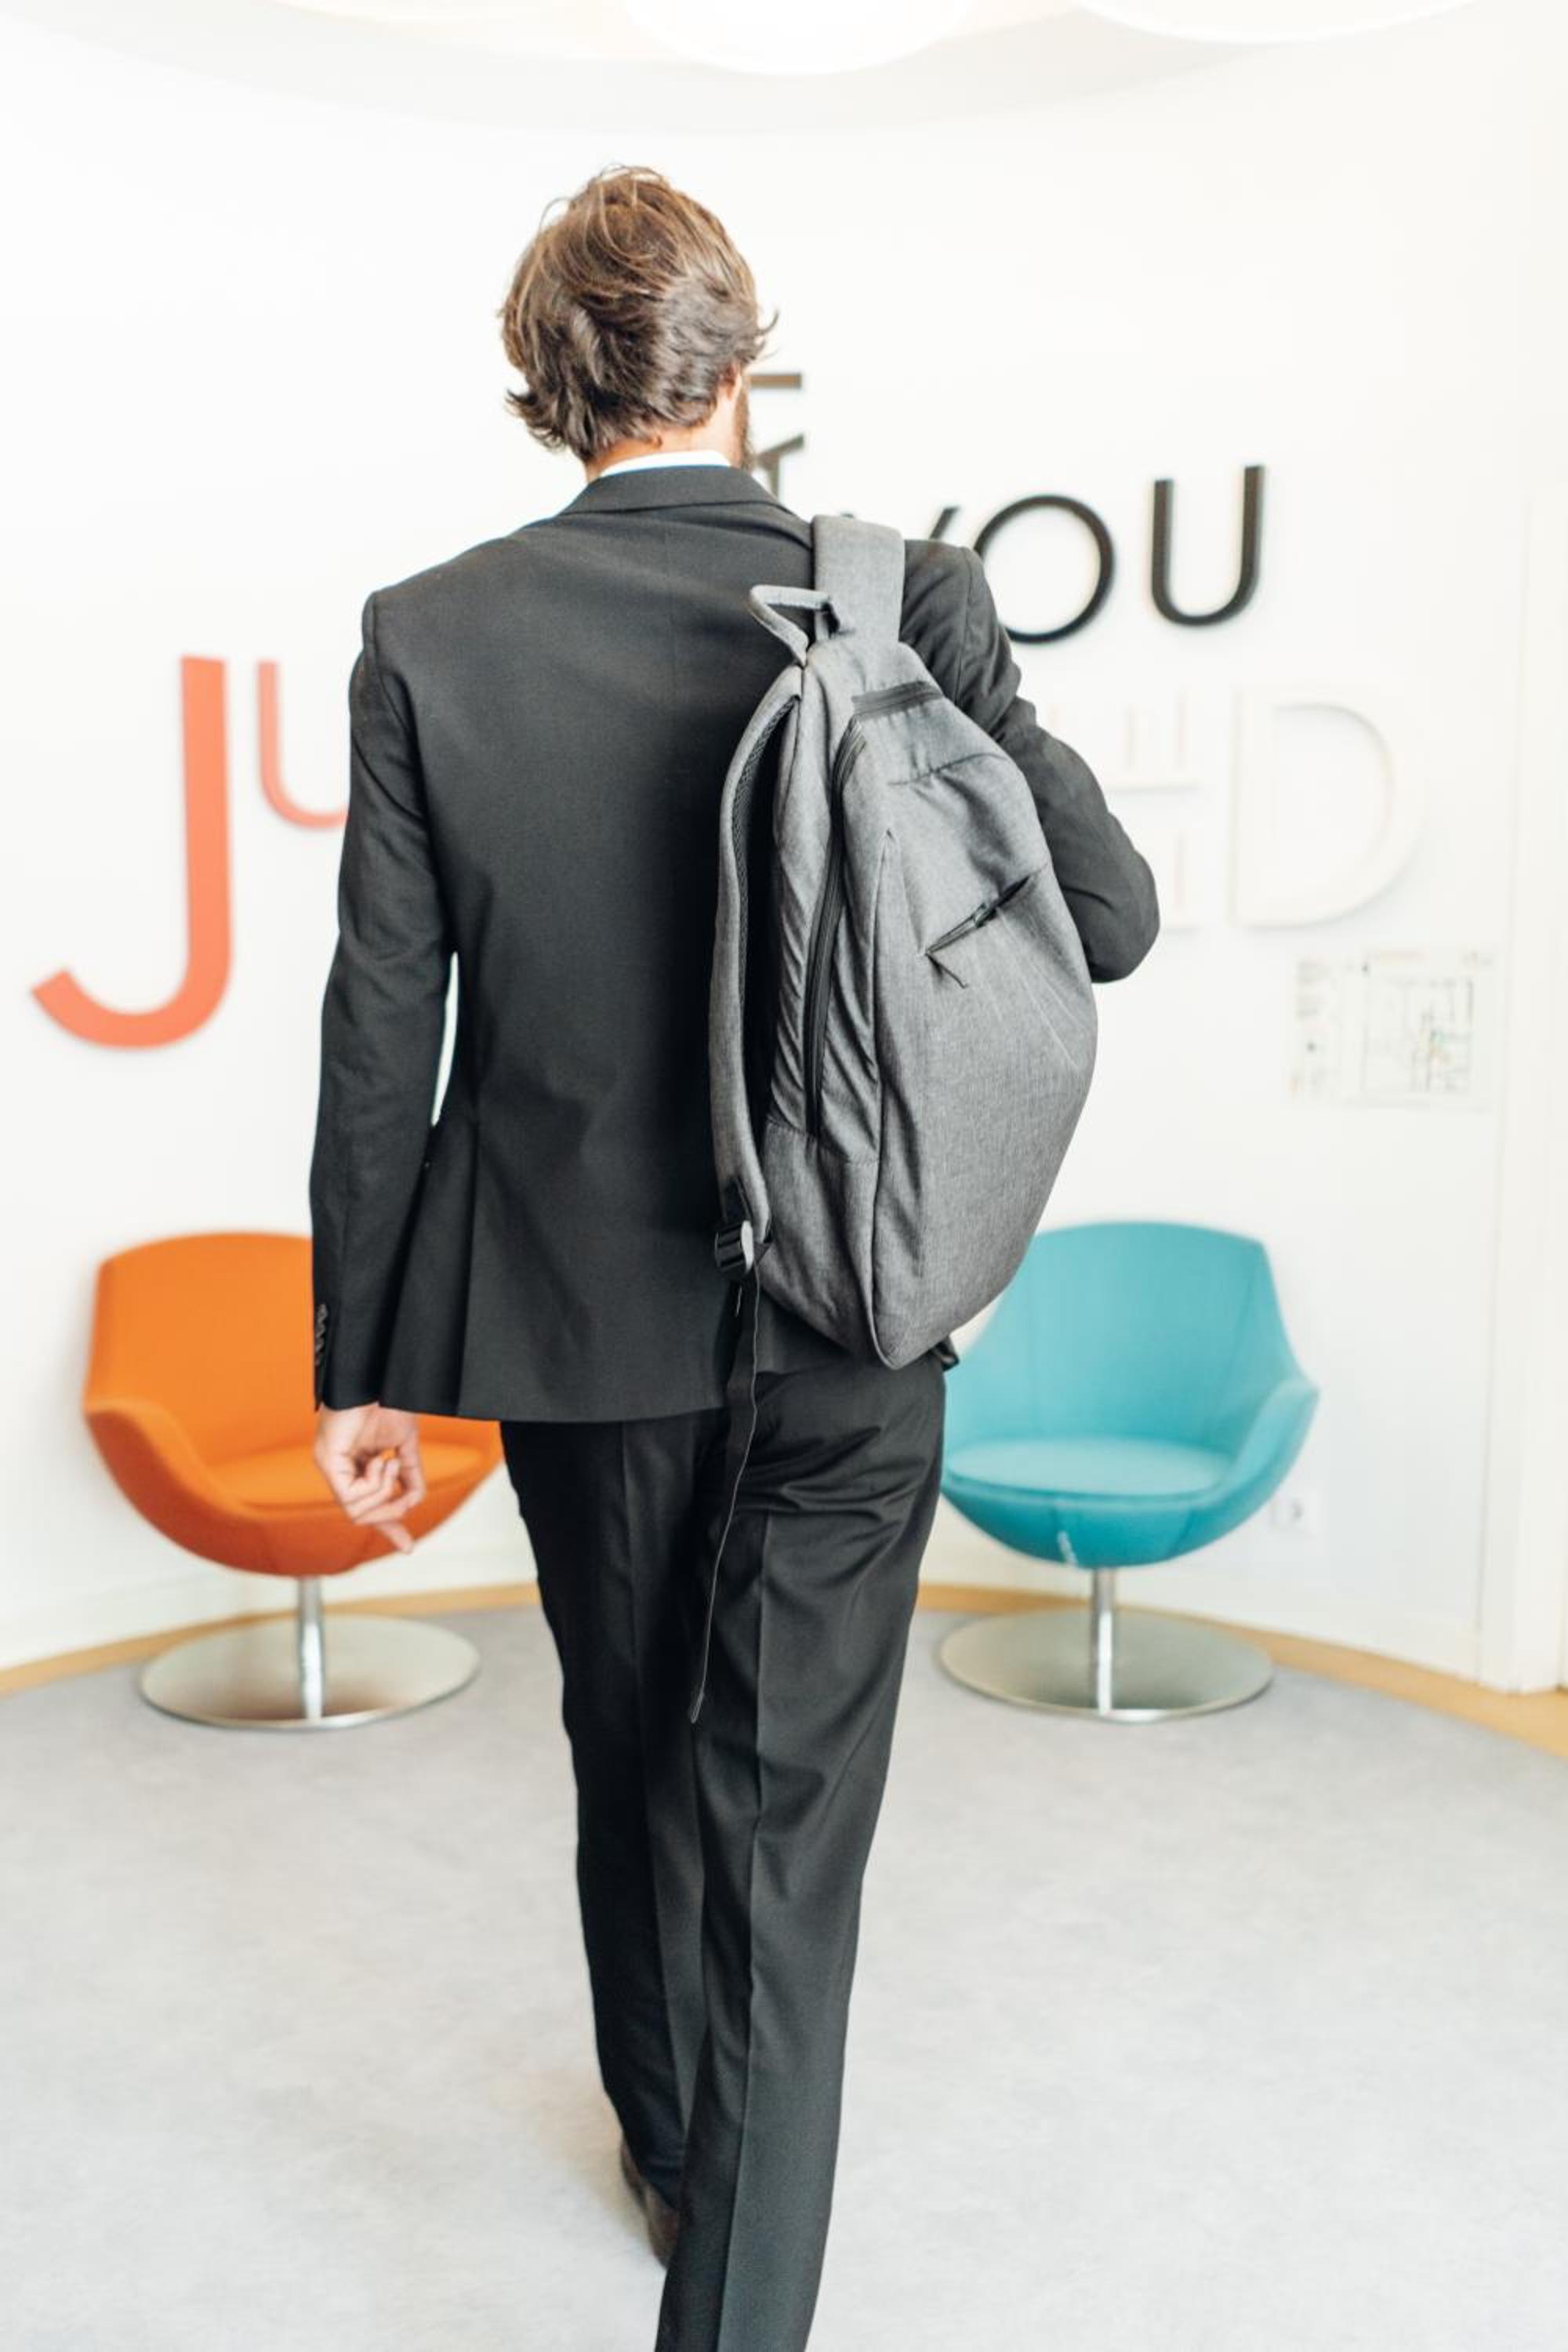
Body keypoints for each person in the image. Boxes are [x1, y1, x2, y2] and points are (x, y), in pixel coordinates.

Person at [308, 162, 1159, 2352]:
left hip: (571, 1337)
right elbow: (1109, 920)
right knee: (787, 1840)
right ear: (743, 366)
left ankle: (671, 2142)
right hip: (858, 1318)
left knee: (629, 1754)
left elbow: (386, 1026)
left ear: (544, 387)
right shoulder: (902, 595)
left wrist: (358, 1365)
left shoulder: (431, 633)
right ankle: (737, 2292)